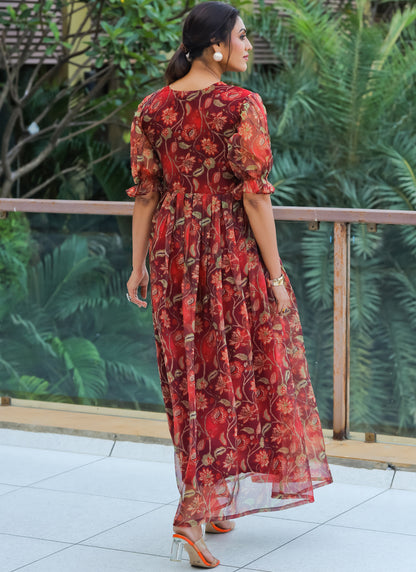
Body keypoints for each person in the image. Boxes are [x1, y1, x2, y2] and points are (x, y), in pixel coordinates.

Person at [126, 1, 333, 568]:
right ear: (215, 46)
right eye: (242, 36)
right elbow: (255, 197)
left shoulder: (151, 108)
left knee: (192, 377)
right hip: (228, 254)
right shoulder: (241, 105)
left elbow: (146, 194)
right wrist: (276, 275)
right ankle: (191, 515)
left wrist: (138, 266)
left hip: (172, 254)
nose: (248, 45)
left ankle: (212, 493)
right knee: (232, 371)